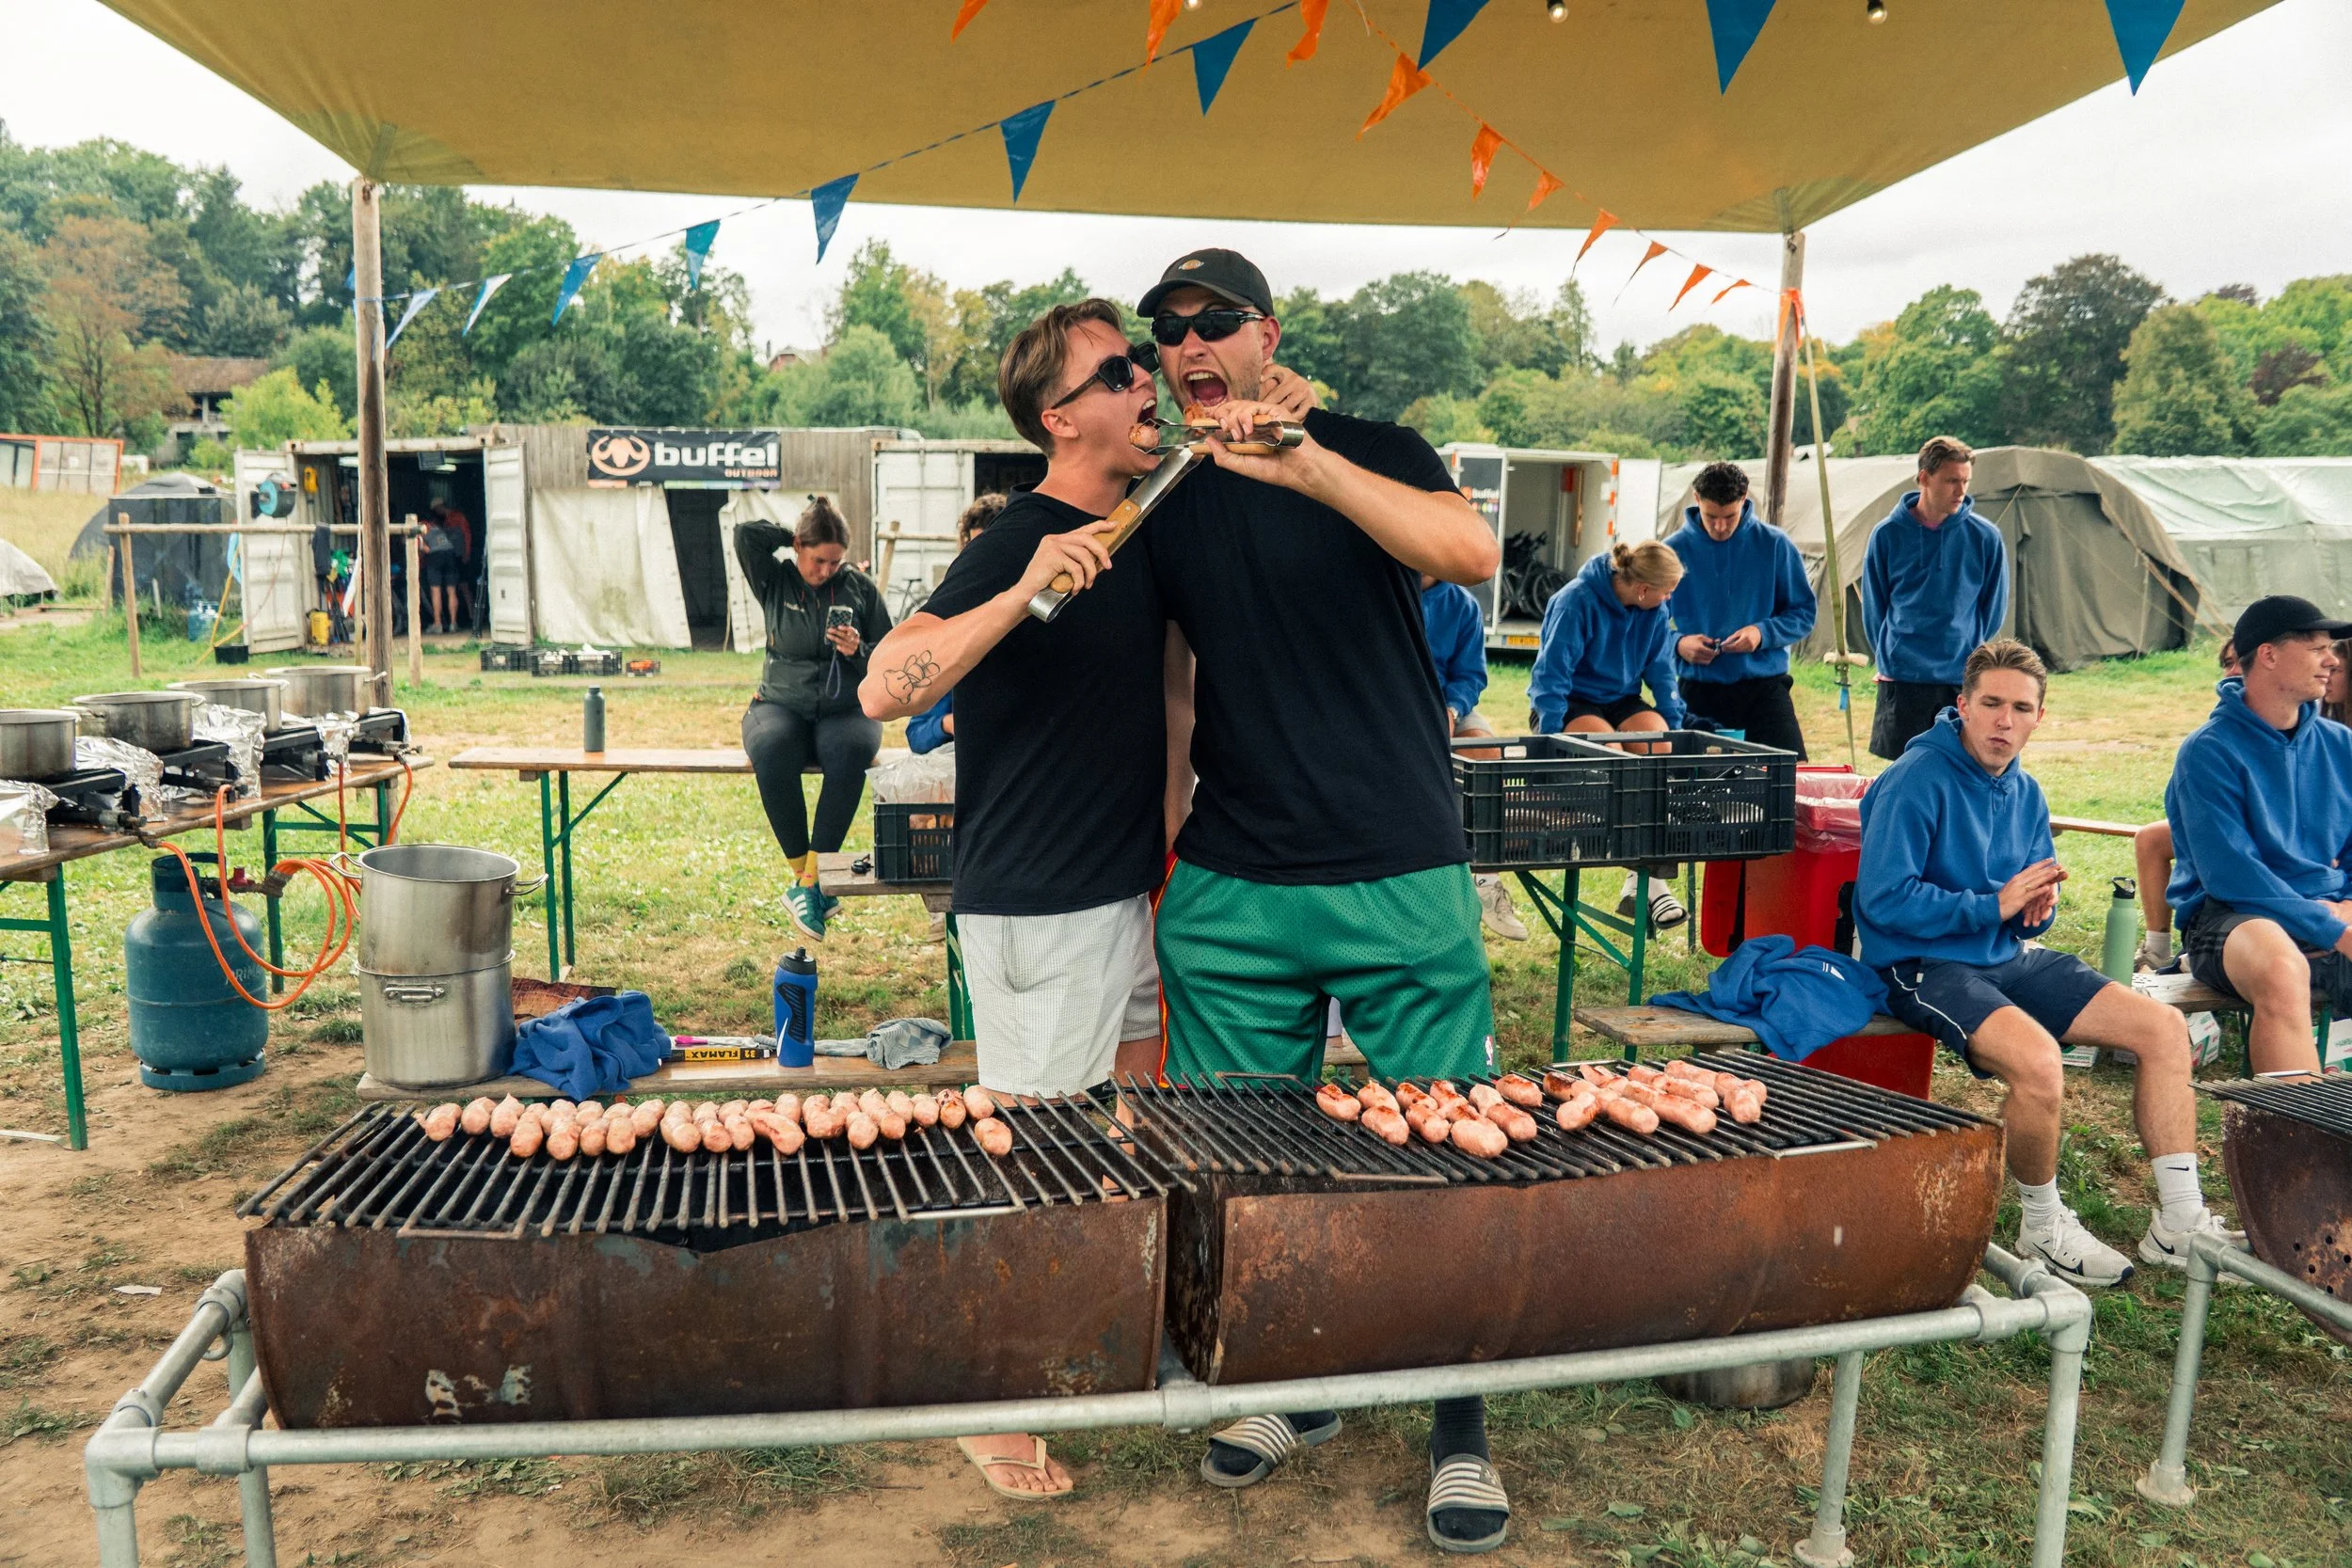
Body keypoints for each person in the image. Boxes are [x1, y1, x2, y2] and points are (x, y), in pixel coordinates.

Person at [1136, 247, 1511, 1556]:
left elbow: (1467, 548)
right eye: (1169, 330)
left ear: (1265, 333)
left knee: (1445, 1147)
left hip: (1396, 855)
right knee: (1250, 1160)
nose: (1190, 343)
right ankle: (1297, 1390)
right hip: (1236, 876)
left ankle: (1456, 1420)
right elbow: (1180, 678)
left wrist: (1308, 464)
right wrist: (1174, 845)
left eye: (1213, 321)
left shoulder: (1367, 442)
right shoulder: (1167, 489)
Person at [1857, 638, 2239, 1284]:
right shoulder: (1913, 779)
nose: (2005, 721)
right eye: (1992, 703)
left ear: (2040, 716)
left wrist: (2038, 905)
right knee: (2039, 1063)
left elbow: (2027, 891)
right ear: (1963, 705)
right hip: (1921, 965)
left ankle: (2180, 1222)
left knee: (2164, 1029)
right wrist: (1992, 903)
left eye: (2021, 707)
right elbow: (1883, 899)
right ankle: (2041, 1226)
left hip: (2005, 954)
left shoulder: (2026, 791)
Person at [2164, 595, 2352, 1077]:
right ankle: (2302, 1139)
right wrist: (2332, 925)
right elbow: (2233, 876)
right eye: (2316, 648)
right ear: (2268, 655)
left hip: (2328, 911)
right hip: (2231, 919)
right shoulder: (2208, 752)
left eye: (2331, 648)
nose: (2332, 659)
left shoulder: (2341, 746)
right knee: (2281, 969)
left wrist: (2345, 905)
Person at [737, 495, 892, 941]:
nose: (827, 571)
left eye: (835, 562)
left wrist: (857, 650)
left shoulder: (859, 587)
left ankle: (810, 884)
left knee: (853, 750)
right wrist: (792, 535)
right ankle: (804, 873)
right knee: (771, 746)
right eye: (819, 559)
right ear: (799, 549)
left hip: (845, 708)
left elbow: (890, 654)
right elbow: (747, 535)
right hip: (779, 705)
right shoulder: (775, 579)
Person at [1526, 539, 1690, 930]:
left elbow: (1663, 674)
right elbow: (1550, 678)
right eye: (1666, 591)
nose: (1669, 599)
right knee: (1612, 756)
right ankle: (1649, 883)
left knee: (1658, 747)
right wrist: (1550, 740)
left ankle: (1641, 883)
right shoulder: (1576, 601)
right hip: (1569, 702)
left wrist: (1676, 729)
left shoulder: (1654, 610)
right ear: (1642, 589)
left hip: (1621, 699)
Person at [1862, 436, 2009, 761]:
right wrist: (1890, 653)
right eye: (1951, 481)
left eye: (1966, 481)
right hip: (1904, 677)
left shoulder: (1985, 537)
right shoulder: (1886, 535)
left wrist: (1966, 647)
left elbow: (1993, 609)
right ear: (1924, 478)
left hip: (1959, 678)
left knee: (1961, 767)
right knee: (1904, 770)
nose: (1961, 491)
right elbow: (1875, 608)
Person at [1663, 461, 1816, 757]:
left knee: (1790, 777)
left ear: (1744, 500)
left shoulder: (1775, 545)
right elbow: (1647, 624)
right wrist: (1678, 643)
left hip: (1764, 688)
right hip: (1698, 688)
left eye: (1730, 516)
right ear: (1696, 500)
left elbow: (1804, 613)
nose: (1720, 527)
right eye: (1711, 517)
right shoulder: (1672, 551)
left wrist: (1762, 634)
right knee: (1691, 788)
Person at [1422, 571, 1527, 941]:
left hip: (1446, 704)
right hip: (1393, 704)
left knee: (1487, 756)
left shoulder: (1462, 604)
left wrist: (1451, 712)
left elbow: (1470, 676)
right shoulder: (1380, 589)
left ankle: (1487, 878)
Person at [2133, 641, 2238, 969]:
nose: (2233, 671)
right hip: (2231, 879)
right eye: (2228, 662)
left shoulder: (2317, 733)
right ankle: (2159, 948)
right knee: (2151, 838)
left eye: (2241, 662)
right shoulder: (2209, 742)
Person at [905, 494, 1009, 756]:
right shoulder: (955, 618)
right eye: (975, 550)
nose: (983, 561)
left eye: (993, 548)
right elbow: (917, 735)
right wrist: (948, 724)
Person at [429, 498, 474, 630]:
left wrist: (467, 553)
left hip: (460, 556)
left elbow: (467, 535)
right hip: (453, 556)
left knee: (464, 587)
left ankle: (472, 616)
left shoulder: (457, 517)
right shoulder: (444, 521)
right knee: (454, 588)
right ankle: (457, 621)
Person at [419, 506, 465, 634]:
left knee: (436, 591)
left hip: (435, 556)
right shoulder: (437, 527)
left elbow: (425, 549)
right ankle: (453, 623)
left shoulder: (421, 527)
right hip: (450, 553)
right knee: (451, 590)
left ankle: (438, 624)